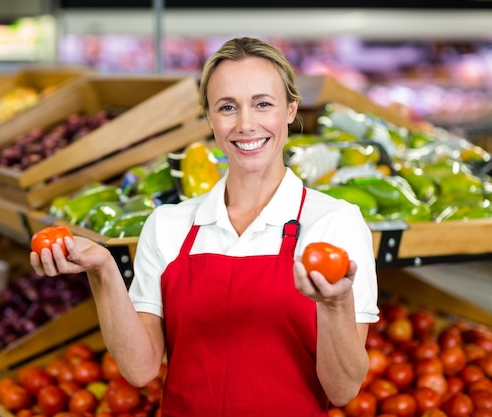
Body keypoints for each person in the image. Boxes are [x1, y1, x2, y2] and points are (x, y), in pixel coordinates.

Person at [30, 36, 379, 416]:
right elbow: (139, 369)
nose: (246, 124)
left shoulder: (333, 223)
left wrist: (335, 305)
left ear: (291, 110)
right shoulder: (168, 225)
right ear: (209, 117)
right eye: (227, 107)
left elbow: (343, 390)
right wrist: (103, 271)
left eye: (263, 104)